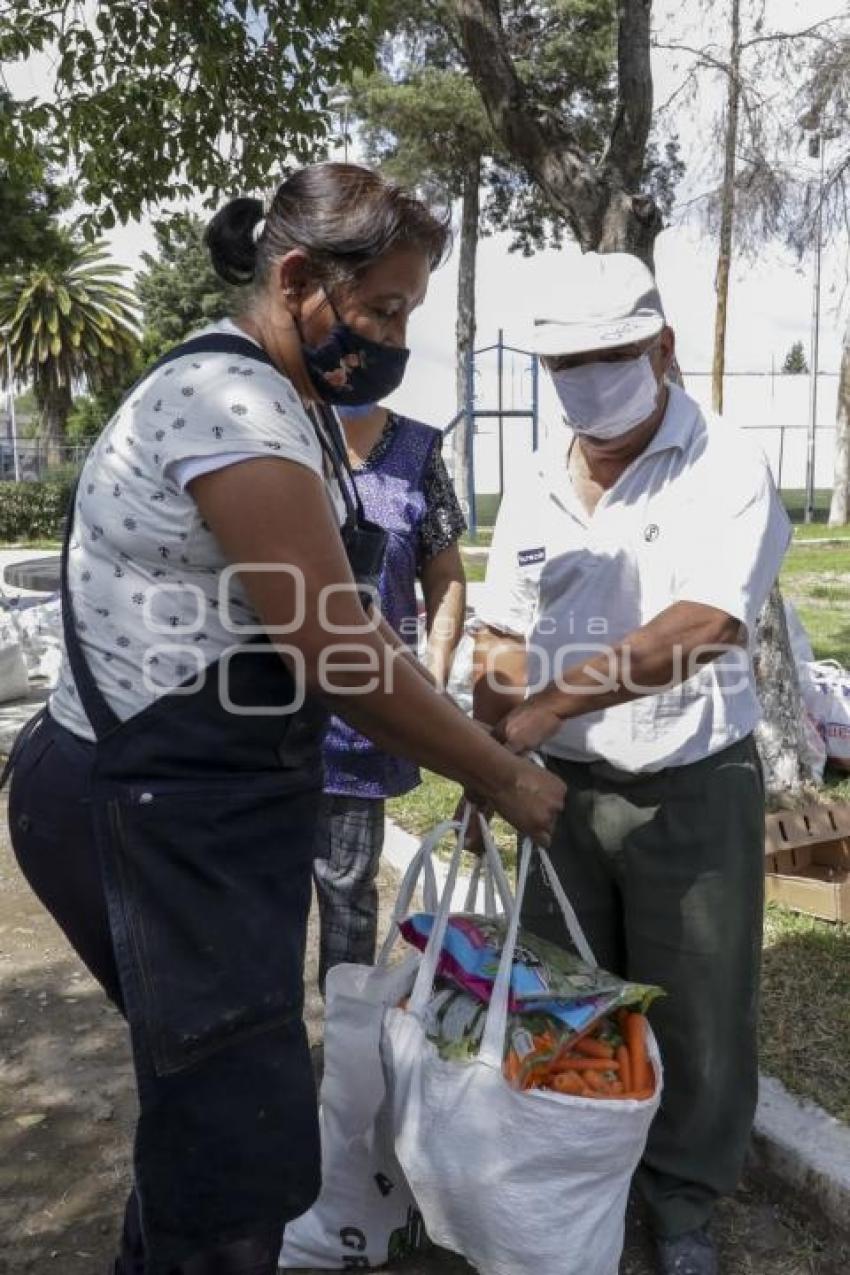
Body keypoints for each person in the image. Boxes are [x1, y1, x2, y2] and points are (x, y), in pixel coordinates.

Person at [4, 162, 566, 1275]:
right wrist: (500, 777)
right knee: (232, 1137)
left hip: (212, 798)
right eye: (386, 309)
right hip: (145, 806)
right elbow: (336, 649)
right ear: (299, 277)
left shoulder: (292, 404)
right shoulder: (231, 401)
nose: (399, 338)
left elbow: (330, 615)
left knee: (213, 1096)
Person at [471, 252, 790, 1275]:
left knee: (695, 1009)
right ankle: (581, 1180)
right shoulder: (532, 476)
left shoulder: (724, 466)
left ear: (661, 349)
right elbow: (503, 635)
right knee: (566, 996)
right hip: (553, 792)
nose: (583, 378)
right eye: (563, 361)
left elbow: (701, 626)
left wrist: (554, 700)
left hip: (687, 785)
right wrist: (486, 760)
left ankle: (685, 1201)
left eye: (607, 355)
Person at [315, 399, 466, 990]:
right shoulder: (280, 432)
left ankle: (344, 1044)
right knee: (255, 894)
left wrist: (433, 670)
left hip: (363, 730)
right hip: (262, 725)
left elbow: (446, 573)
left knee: (348, 891)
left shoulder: (417, 453)